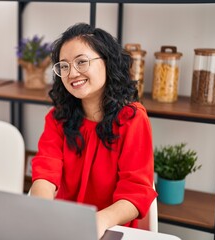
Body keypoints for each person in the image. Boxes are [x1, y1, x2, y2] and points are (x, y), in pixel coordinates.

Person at [29, 23, 157, 239]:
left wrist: (100, 220)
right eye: (64, 66)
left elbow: (136, 190)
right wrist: (44, 213)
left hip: (110, 228)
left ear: (107, 62)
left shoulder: (132, 119)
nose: (72, 73)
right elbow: (45, 171)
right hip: (64, 227)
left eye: (81, 61)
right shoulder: (57, 117)